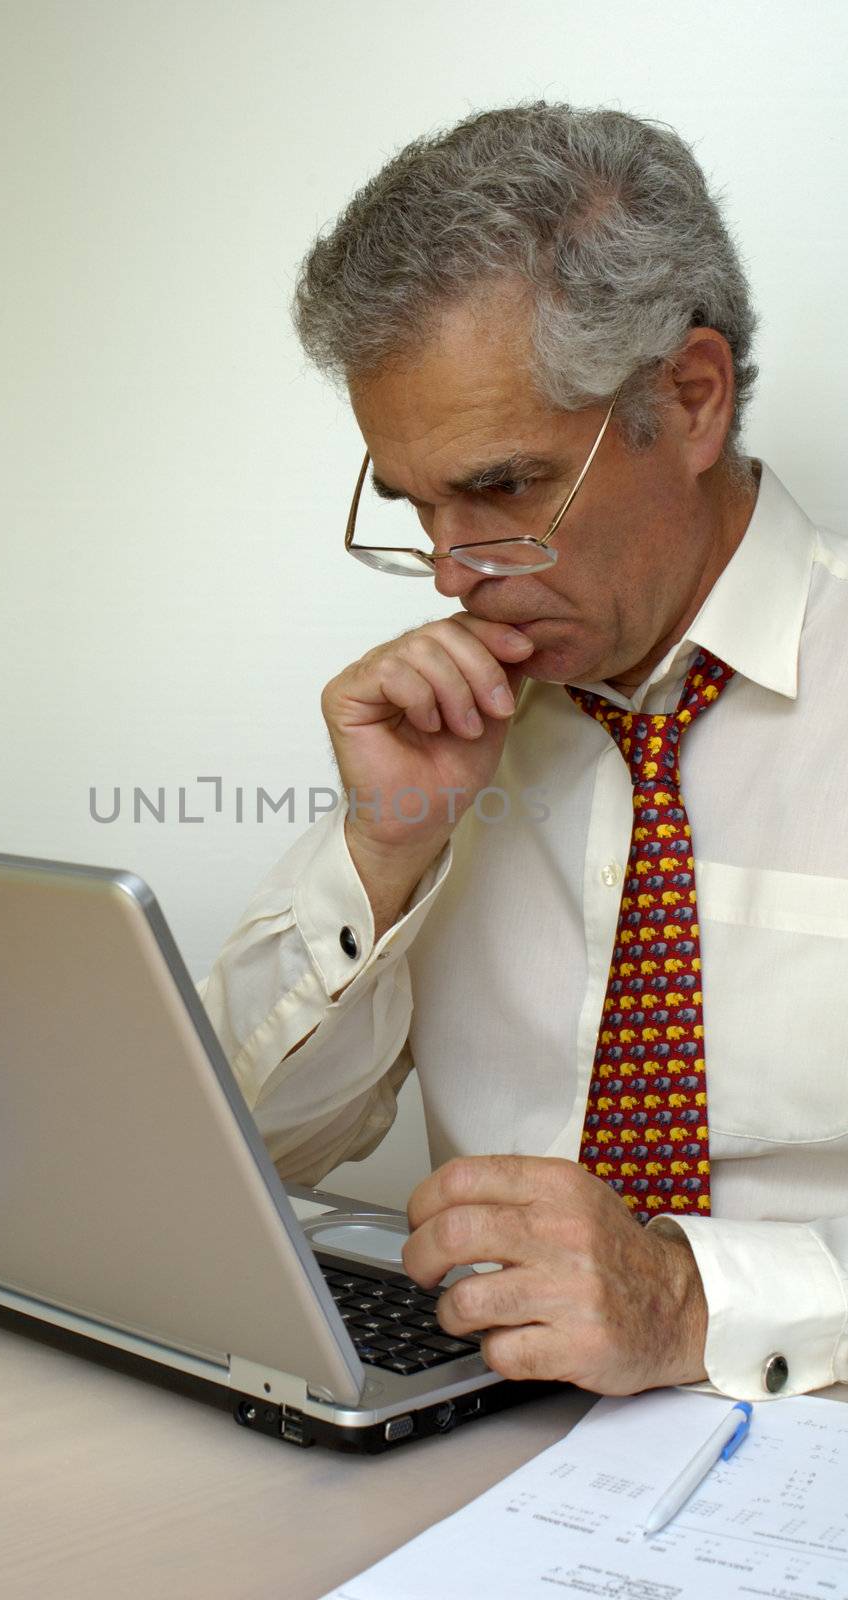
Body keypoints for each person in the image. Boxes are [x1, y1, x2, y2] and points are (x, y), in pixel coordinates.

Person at [199, 102, 848, 1402]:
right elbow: (237, 1154)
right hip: (468, 1462)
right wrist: (383, 853)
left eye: (501, 488)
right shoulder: (454, 739)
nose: (450, 569)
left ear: (691, 396)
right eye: (417, 506)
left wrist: (691, 1301)